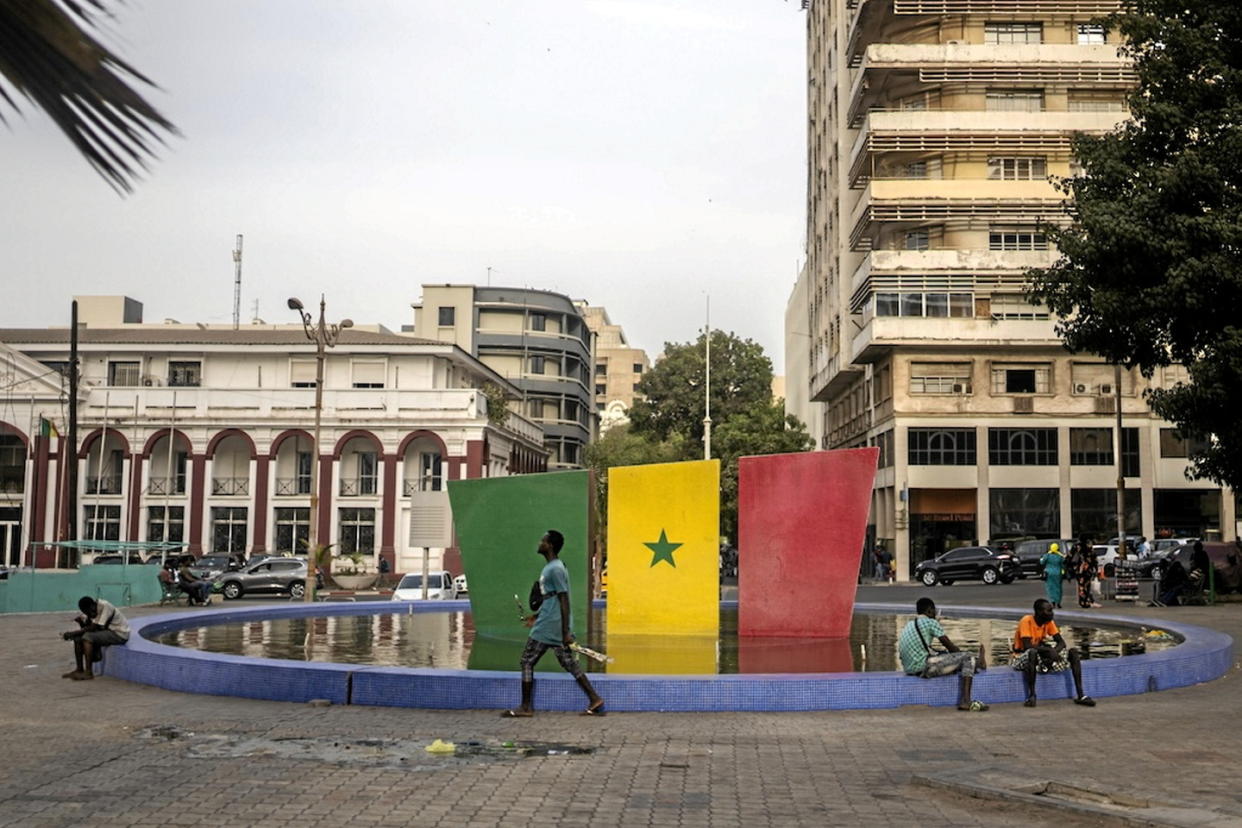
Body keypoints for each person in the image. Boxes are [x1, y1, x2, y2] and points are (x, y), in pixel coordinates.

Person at [503, 530, 605, 718]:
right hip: (551, 622)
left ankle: (526, 707)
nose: (540, 542)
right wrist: (536, 616)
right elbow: (551, 599)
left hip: (550, 626)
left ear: (549, 545)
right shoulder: (552, 567)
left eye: (543, 540)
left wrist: (565, 630)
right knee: (569, 663)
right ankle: (594, 698)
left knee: (527, 661)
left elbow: (563, 599)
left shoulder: (555, 569)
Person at [897, 597, 988, 711]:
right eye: (934, 610)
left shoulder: (909, 624)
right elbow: (950, 647)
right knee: (967, 658)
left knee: (953, 660)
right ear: (930, 610)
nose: (935, 613)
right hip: (924, 667)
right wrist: (963, 655)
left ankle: (976, 663)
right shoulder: (931, 622)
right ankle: (965, 700)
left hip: (909, 668)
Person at [1011, 599, 1095, 707]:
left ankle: (1081, 695)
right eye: (1049, 611)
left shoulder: (1049, 622)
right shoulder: (1026, 621)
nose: (1052, 613)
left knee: (1073, 652)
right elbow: (1027, 646)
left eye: (1051, 610)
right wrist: (1048, 650)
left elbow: (1061, 642)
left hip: (1042, 658)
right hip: (1022, 658)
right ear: (1039, 612)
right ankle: (1031, 696)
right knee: (1032, 652)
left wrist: (1054, 653)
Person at [62, 596, 130, 680]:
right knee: (77, 639)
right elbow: (88, 627)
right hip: (108, 632)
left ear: (92, 606)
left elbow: (94, 627)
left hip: (119, 634)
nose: (89, 614)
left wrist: (72, 633)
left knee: (87, 637)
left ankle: (88, 672)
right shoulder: (93, 609)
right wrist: (80, 624)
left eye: (87, 612)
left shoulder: (105, 606)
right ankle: (79, 670)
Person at [1040, 543, 1066, 608]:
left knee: (1050, 588)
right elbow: (1063, 564)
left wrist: (1041, 559)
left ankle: (1052, 601)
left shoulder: (1047, 555)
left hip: (1049, 573)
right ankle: (1058, 602)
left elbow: (1042, 562)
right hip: (1058, 573)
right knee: (1058, 588)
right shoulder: (1060, 556)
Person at [1075, 539, 1098, 609]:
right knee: (1084, 588)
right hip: (1084, 573)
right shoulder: (1084, 554)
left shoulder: (1084, 553)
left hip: (1085, 573)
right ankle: (1085, 602)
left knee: (1084, 587)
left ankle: (1084, 601)